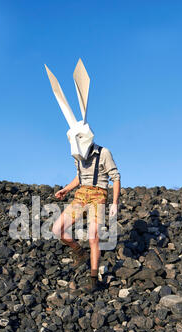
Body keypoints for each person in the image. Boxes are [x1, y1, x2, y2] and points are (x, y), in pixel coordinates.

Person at [44, 58, 121, 292]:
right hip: (81, 195)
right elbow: (79, 176)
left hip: (98, 196)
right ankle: (79, 253)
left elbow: (115, 177)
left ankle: (93, 278)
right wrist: (67, 189)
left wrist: (115, 203)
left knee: (94, 236)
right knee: (58, 230)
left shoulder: (104, 152)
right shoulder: (78, 156)